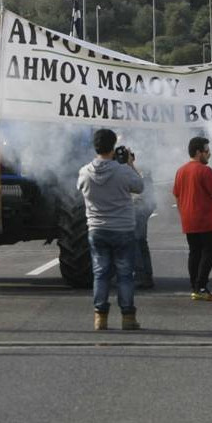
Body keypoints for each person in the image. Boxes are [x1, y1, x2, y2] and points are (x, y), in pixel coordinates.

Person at [78, 129, 144, 330]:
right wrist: (130, 164)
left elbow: (79, 187)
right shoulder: (122, 171)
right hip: (123, 228)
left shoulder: (84, 171)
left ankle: (100, 317)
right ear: (113, 146)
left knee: (100, 273)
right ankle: (128, 317)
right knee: (125, 274)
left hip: (96, 228)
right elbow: (139, 187)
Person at [173, 136, 212, 301]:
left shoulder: (181, 170)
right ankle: (201, 286)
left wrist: (183, 212)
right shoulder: (205, 171)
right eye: (207, 151)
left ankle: (195, 287)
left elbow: (176, 195)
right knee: (210, 252)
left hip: (189, 220)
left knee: (195, 252)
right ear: (198, 152)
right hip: (206, 220)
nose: (209, 154)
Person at [132, 160, 156, 290]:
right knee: (140, 241)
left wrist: (130, 165)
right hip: (140, 204)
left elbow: (141, 184)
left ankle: (140, 276)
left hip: (139, 204)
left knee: (136, 240)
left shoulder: (139, 162)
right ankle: (146, 276)